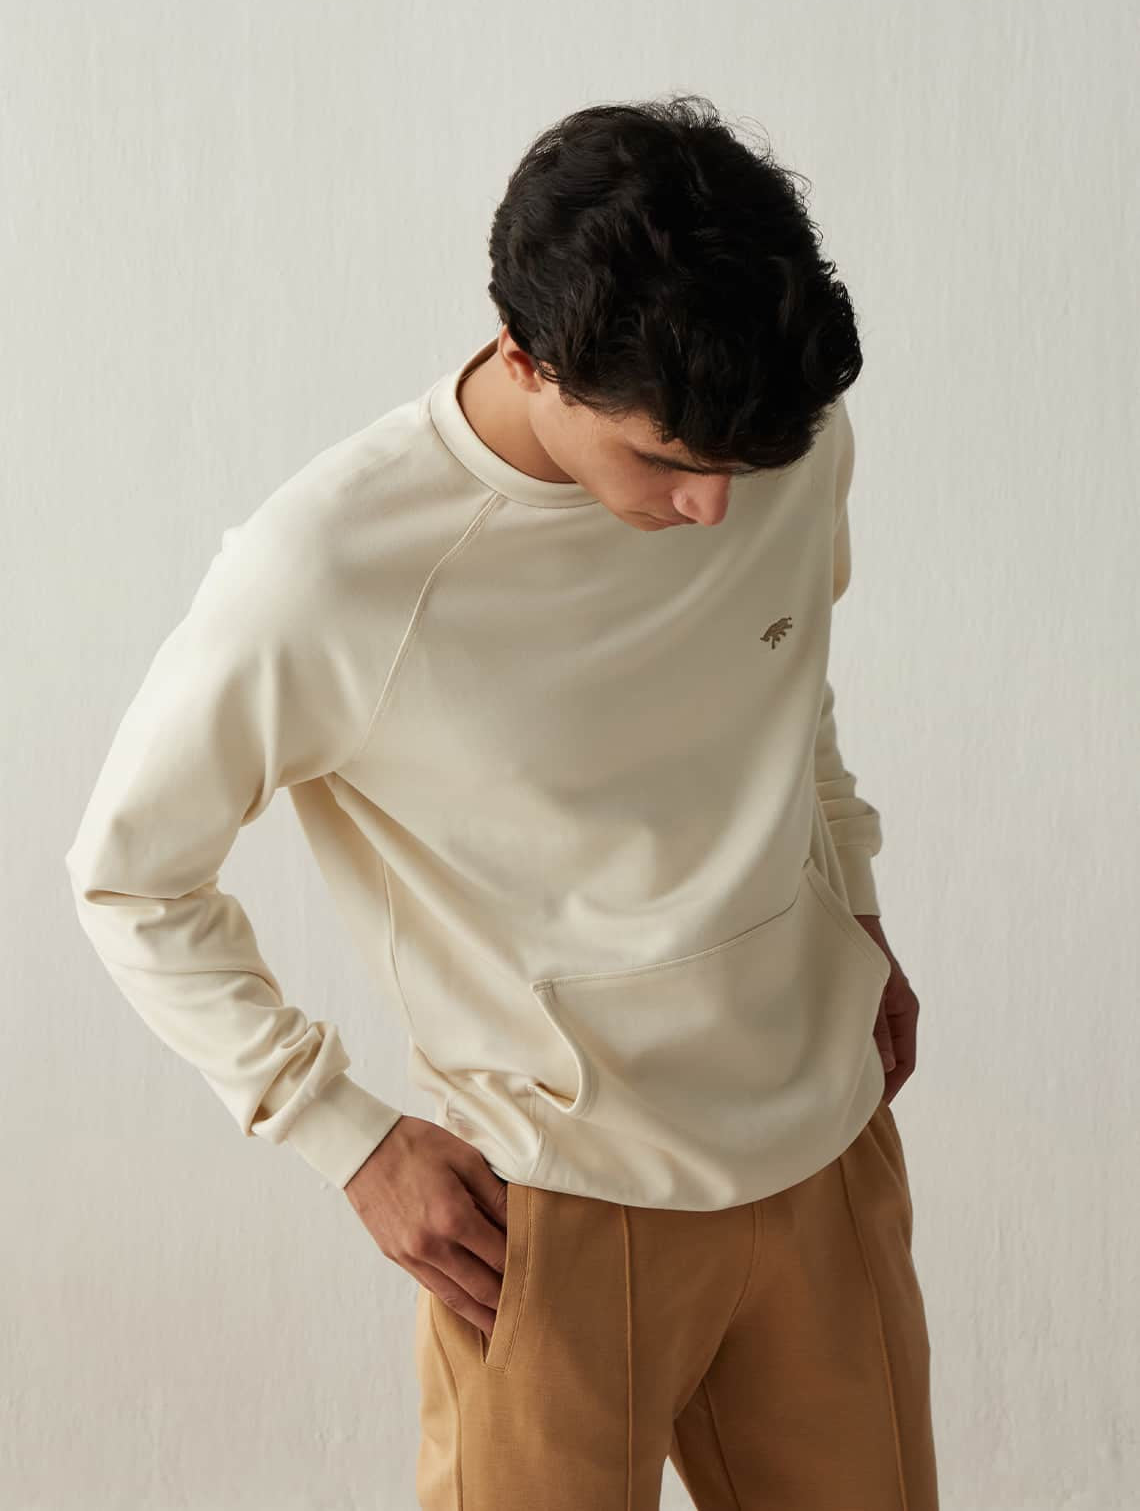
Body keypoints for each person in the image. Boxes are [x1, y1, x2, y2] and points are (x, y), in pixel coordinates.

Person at [64, 94, 938, 1508]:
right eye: (667, 463)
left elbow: (788, 687)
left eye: (741, 467)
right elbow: (130, 877)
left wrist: (860, 909)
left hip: (826, 1144)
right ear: (528, 360)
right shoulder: (332, 571)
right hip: (549, 1218)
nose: (714, 508)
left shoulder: (776, 426)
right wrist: (343, 1134)